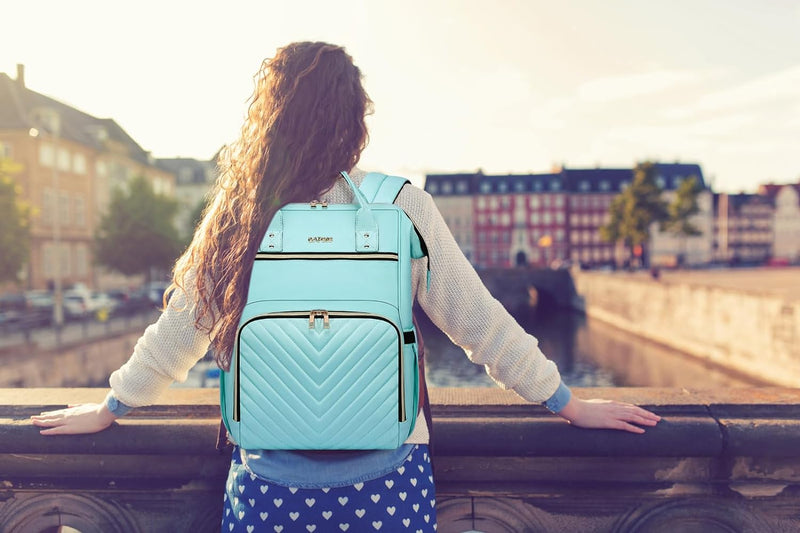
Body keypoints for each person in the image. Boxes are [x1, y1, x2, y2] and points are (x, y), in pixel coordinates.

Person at [31, 41, 661, 532]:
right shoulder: (399, 205)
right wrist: (567, 403)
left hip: (269, 483)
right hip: (386, 481)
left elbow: (180, 331)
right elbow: (478, 323)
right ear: (354, 121)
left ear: (266, 121)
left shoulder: (239, 214)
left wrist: (112, 406)